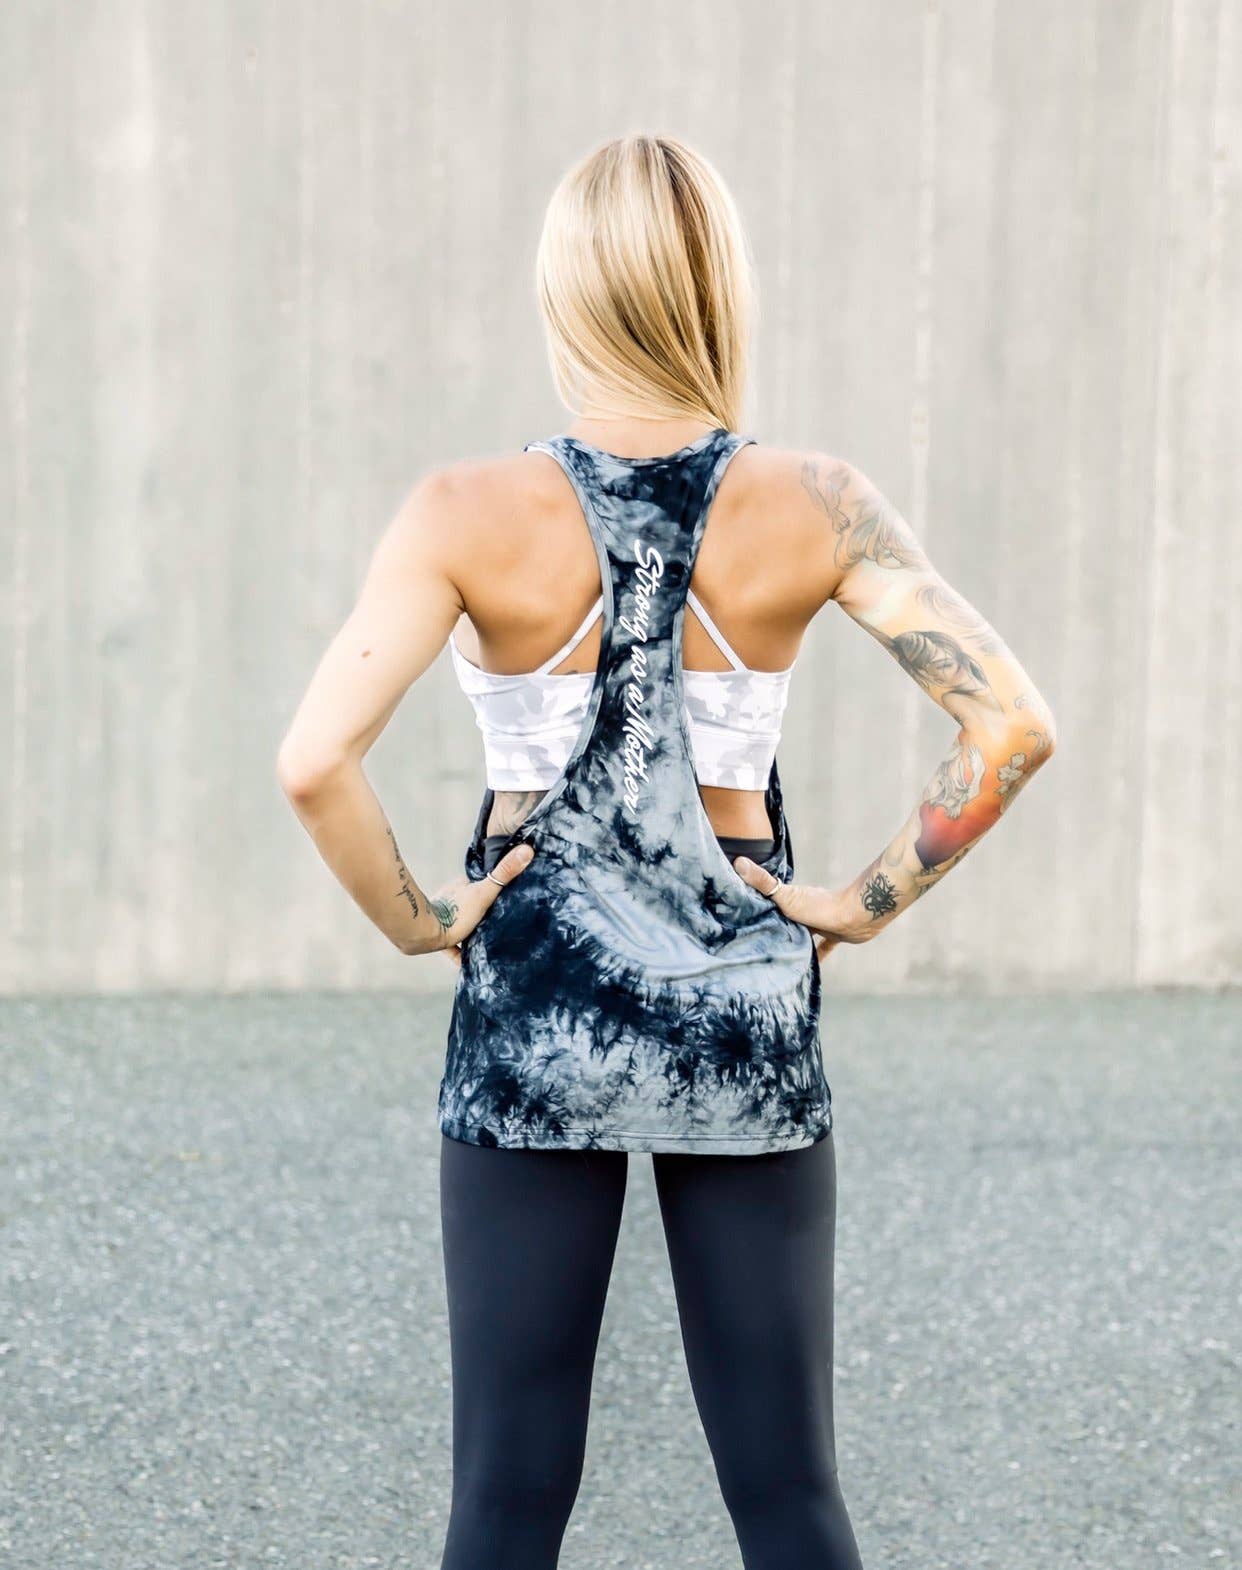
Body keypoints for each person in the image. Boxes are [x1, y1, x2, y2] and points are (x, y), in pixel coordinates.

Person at [277, 133, 1056, 1570]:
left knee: (505, 1503)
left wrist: (420, 920)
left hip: (532, 1019)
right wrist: (865, 902)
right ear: (716, 291)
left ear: (566, 294)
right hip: (741, 1010)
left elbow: (313, 760)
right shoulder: (811, 502)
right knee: (788, 1499)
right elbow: (1006, 724)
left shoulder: (461, 512)